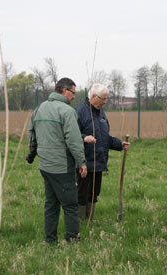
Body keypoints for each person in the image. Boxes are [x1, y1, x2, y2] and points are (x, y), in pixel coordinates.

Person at [26, 77, 87, 244]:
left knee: (51, 204)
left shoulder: (39, 109)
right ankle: (73, 239)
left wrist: (34, 154)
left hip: (45, 166)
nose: (74, 96)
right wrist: (81, 162)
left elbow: (31, 136)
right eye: (73, 93)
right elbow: (74, 141)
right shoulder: (67, 111)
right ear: (65, 91)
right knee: (70, 205)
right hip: (63, 167)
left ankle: (49, 240)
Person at [76, 84, 130, 220]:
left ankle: (90, 221)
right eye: (103, 99)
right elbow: (71, 136)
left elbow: (105, 137)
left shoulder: (101, 113)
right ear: (93, 96)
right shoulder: (79, 112)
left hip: (99, 162)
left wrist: (119, 144)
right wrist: (84, 138)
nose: (105, 102)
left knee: (94, 193)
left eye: (106, 99)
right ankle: (80, 222)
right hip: (84, 162)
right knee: (81, 194)